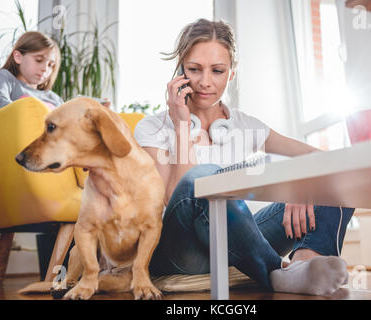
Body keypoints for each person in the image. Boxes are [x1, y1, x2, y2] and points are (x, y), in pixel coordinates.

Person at [134, 18, 355, 296]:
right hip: (181, 252)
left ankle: (304, 266)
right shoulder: (151, 128)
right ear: (180, 70)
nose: (205, 82)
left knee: (335, 181)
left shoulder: (246, 125)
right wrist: (180, 124)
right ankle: (278, 270)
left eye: (217, 71)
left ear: (231, 74)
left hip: (236, 246)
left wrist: (306, 184)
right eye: (194, 69)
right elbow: (172, 199)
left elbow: (324, 159)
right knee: (205, 178)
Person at [0, 31, 64, 114]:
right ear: (18, 57)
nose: (45, 69)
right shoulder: (6, 79)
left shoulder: (55, 99)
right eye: (39, 60)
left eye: (50, 65)